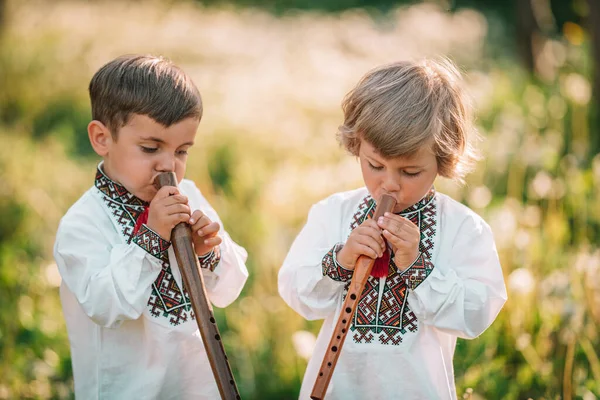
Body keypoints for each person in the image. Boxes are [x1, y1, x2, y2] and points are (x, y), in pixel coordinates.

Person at [278, 59, 507, 400]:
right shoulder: (333, 213)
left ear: (443, 159)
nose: (389, 184)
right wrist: (341, 261)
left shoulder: (464, 228)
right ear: (357, 147)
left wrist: (419, 268)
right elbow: (297, 291)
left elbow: (476, 314)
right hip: (339, 388)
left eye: (410, 171)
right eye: (375, 166)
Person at [54, 54, 248, 399]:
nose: (168, 165)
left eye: (182, 151)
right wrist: (152, 237)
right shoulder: (82, 224)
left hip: (198, 387)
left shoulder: (188, 195)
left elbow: (230, 288)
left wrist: (209, 253)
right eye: (149, 148)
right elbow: (106, 306)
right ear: (102, 138)